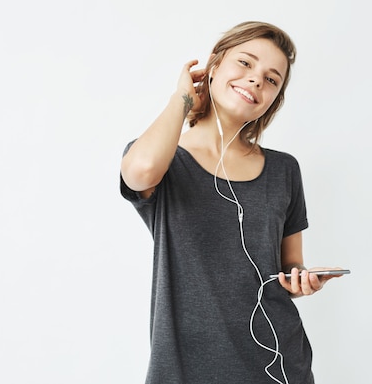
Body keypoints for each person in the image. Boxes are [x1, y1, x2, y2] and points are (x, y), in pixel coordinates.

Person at [119, 21, 347, 384]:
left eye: (272, 79)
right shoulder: (164, 159)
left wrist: (301, 280)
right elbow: (141, 171)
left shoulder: (284, 170)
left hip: (279, 365)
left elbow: (289, 266)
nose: (257, 79)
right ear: (214, 67)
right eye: (245, 63)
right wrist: (181, 99)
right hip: (186, 369)